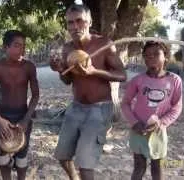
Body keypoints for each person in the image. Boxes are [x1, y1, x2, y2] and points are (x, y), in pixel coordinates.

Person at [50, 4, 127, 180]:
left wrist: (95, 71)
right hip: (76, 107)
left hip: (99, 110)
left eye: (80, 21)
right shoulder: (67, 48)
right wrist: (60, 70)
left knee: (85, 165)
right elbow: (68, 80)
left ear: (89, 21)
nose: (75, 27)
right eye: (70, 23)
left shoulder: (104, 44)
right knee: (62, 157)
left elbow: (122, 75)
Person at [0, 30, 39, 180]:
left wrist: (26, 120)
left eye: (23, 46)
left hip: (22, 115)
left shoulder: (29, 67)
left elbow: (36, 95)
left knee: (22, 157)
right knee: (2, 157)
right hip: (2, 116)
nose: (22, 49)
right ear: (5, 47)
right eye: (17, 45)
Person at [121, 41, 182, 180]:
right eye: (147, 56)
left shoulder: (174, 80)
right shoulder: (137, 80)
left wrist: (161, 123)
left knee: (157, 167)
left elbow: (177, 107)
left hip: (159, 131)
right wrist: (134, 122)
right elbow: (125, 103)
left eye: (156, 54)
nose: (151, 58)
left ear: (165, 56)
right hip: (138, 130)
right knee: (139, 167)